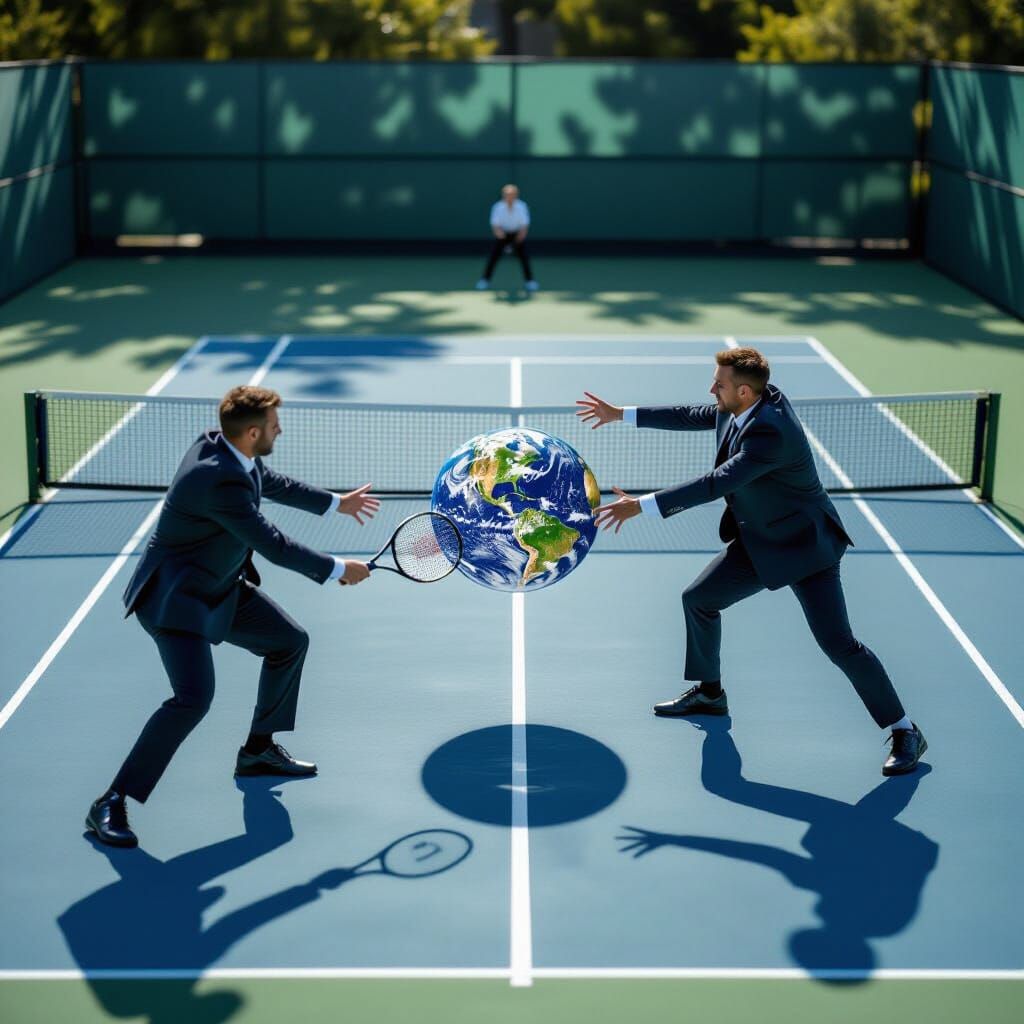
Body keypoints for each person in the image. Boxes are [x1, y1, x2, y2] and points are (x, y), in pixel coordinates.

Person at [576, 347, 927, 777]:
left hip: (805, 549)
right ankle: (710, 692)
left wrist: (642, 506)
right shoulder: (744, 402)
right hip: (760, 540)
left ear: (743, 391)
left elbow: (714, 483)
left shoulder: (771, 434)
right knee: (699, 599)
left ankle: (905, 730)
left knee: (839, 645)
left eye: (718, 384)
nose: (711, 390)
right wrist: (621, 414)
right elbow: (692, 414)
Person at [85, 385, 380, 848]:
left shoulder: (223, 446)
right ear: (252, 431)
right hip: (175, 602)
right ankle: (111, 800)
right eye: (275, 424)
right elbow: (272, 544)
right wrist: (339, 570)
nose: (281, 429)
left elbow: (272, 482)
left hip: (218, 586)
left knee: (288, 641)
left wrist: (334, 502)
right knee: (192, 699)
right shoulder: (216, 480)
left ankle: (258, 750)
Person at [476, 184, 538, 292]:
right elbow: (495, 225)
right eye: (507, 194)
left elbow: (524, 225)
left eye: (512, 194)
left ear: (516, 195)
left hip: (517, 234)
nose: (509, 197)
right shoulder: (498, 207)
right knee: (493, 258)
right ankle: (484, 280)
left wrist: (519, 237)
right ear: (503, 195)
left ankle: (530, 281)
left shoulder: (521, 206)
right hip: (502, 234)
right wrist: (502, 238)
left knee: (524, 258)